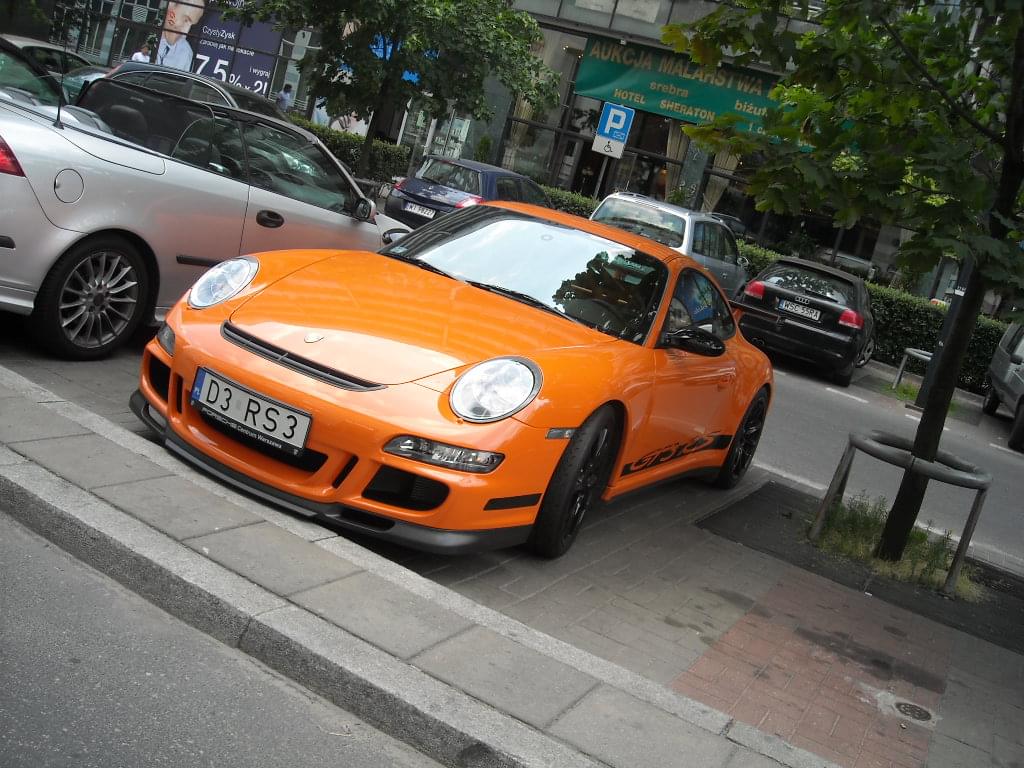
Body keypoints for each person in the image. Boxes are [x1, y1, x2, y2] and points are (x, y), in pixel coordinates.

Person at [157, 0, 205, 71]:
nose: (186, 31)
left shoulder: (186, 52)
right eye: (185, 20)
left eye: (191, 25)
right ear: (171, 4)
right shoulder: (146, 33)